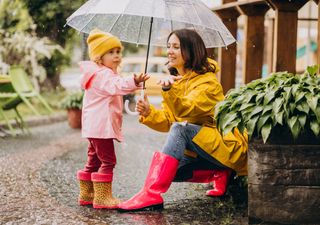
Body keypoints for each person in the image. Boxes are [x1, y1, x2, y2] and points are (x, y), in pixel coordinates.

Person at [118, 29, 248, 212]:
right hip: (204, 148)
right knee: (169, 171)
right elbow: (168, 121)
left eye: (176, 47)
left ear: (191, 50)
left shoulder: (208, 83)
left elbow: (186, 111)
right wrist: (149, 112)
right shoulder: (177, 81)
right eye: (169, 46)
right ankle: (220, 173)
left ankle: (151, 194)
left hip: (225, 145)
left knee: (181, 129)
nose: (170, 51)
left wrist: (169, 91)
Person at [76, 28, 149, 209]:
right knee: (108, 161)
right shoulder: (103, 75)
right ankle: (102, 198)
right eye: (111, 52)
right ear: (99, 57)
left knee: (93, 160)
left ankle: (87, 194)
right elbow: (116, 86)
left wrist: (133, 83)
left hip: (94, 128)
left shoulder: (99, 73)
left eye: (118, 52)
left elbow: (117, 83)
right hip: (101, 128)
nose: (116, 56)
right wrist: (134, 81)